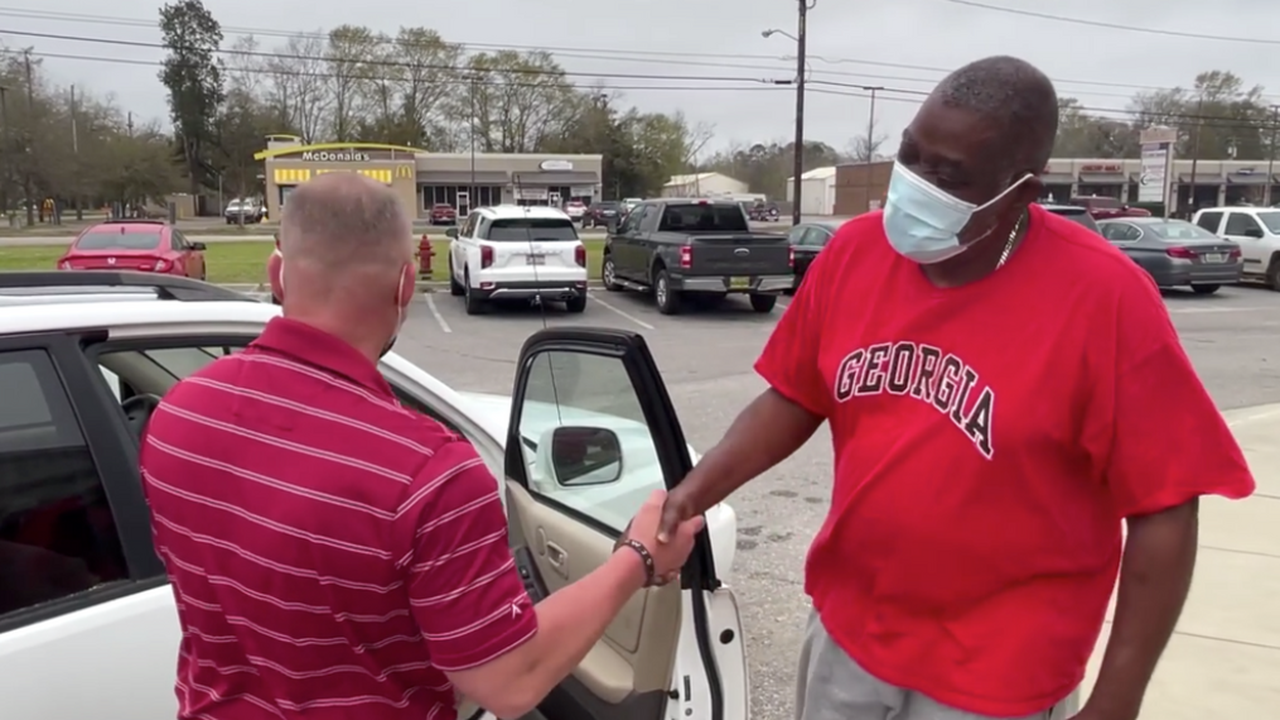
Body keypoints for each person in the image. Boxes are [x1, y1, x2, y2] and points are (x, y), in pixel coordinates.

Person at [658, 56, 1255, 720]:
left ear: (1020, 190)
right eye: (911, 157)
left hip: (1002, 671)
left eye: (949, 175)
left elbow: (1166, 507)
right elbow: (796, 396)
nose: (917, 183)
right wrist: (693, 494)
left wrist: (1118, 698)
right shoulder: (855, 255)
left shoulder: (1106, 299)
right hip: (853, 634)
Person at [139, 172, 704, 720]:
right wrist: (640, 558)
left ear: (277, 274)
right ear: (407, 285)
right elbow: (508, 683)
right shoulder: (430, 473)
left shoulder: (176, 415)